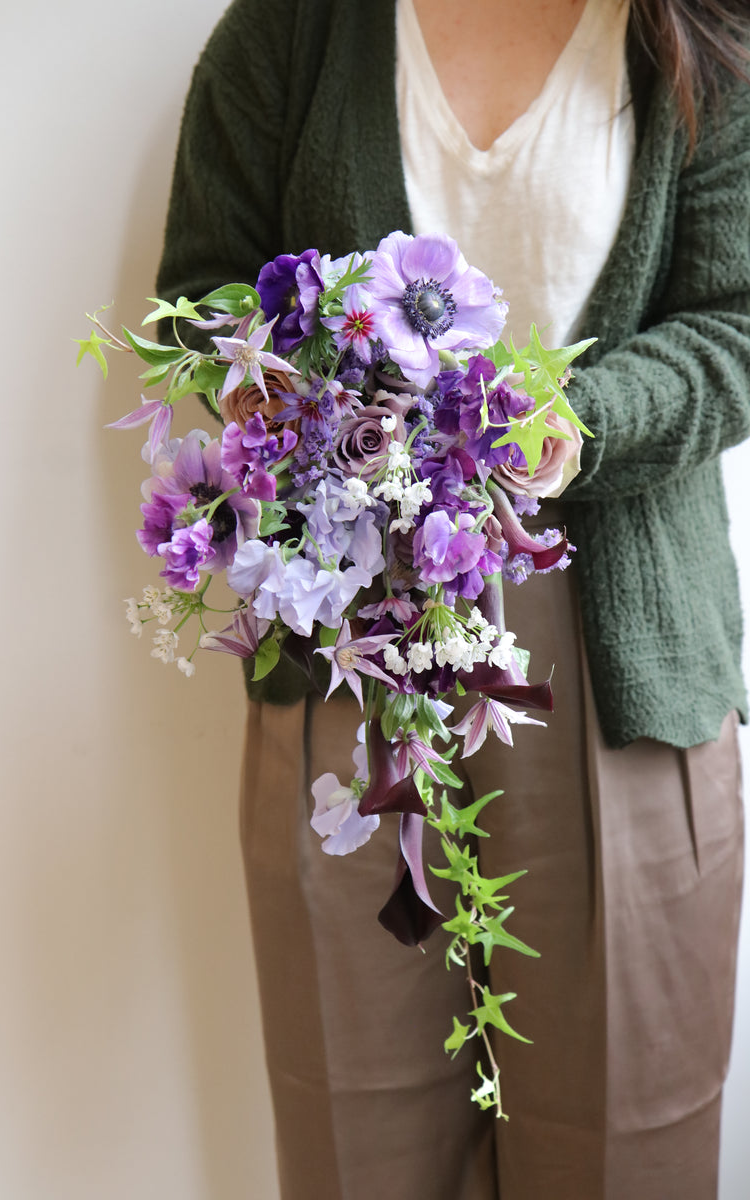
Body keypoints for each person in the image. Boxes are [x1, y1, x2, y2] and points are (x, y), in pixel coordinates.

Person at [155, 1, 750, 1196]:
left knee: (617, 1139)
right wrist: (322, 397)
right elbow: (198, 300)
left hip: (614, 659)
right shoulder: (287, 34)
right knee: (353, 1136)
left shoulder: (702, 39)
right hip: (347, 654)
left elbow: (734, 323)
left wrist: (578, 427)